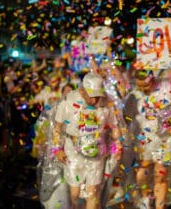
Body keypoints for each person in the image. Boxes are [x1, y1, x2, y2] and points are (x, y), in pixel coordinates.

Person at [52, 72, 123, 209]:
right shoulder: (68, 101)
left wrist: (118, 145)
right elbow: (57, 127)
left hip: (97, 152)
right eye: (92, 96)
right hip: (72, 152)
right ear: (83, 90)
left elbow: (115, 126)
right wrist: (57, 149)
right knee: (75, 193)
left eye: (98, 96)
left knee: (93, 193)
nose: (95, 100)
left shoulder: (107, 103)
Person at [123, 69, 171, 209]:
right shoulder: (135, 96)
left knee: (160, 175)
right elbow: (127, 117)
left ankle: (159, 206)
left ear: (152, 80)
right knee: (142, 173)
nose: (143, 89)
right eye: (140, 86)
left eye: (146, 86)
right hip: (145, 140)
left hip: (165, 140)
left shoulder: (168, 87)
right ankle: (145, 199)